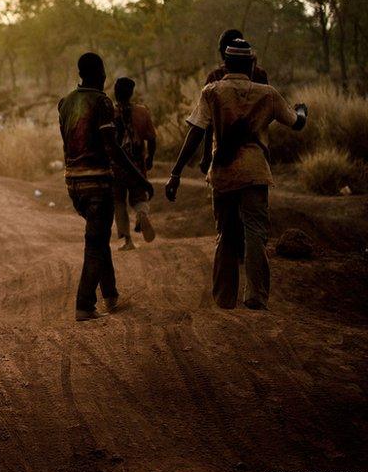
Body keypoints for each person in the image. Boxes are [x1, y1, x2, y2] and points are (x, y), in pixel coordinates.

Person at [165, 39, 307, 310]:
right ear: (252, 65)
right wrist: (302, 110)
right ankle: (255, 295)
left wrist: (176, 172)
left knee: (226, 233)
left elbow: (196, 131)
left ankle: (224, 297)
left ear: (225, 64)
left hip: (223, 172)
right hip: (255, 172)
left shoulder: (212, 91)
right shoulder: (268, 94)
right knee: (255, 232)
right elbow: (296, 123)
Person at [58, 53, 155, 322]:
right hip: (98, 182)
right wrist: (140, 178)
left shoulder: (65, 103)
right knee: (95, 242)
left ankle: (111, 295)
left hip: (73, 183)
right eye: (103, 72)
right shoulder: (102, 102)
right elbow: (112, 146)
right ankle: (84, 304)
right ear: (99, 73)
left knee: (98, 238)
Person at [199, 29, 269, 174]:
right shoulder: (260, 75)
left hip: (224, 150)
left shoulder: (215, 77)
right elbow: (267, 113)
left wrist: (206, 155)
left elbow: (207, 120)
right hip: (256, 147)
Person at [112, 77, 157, 250]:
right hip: (137, 164)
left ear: (115, 93)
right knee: (139, 197)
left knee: (119, 202)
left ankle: (127, 241)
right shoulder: (142, 112)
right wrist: (150, 158)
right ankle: (141, 214)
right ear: (131, 93)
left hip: (115, 166)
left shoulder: (109, 113)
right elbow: (152, 139)